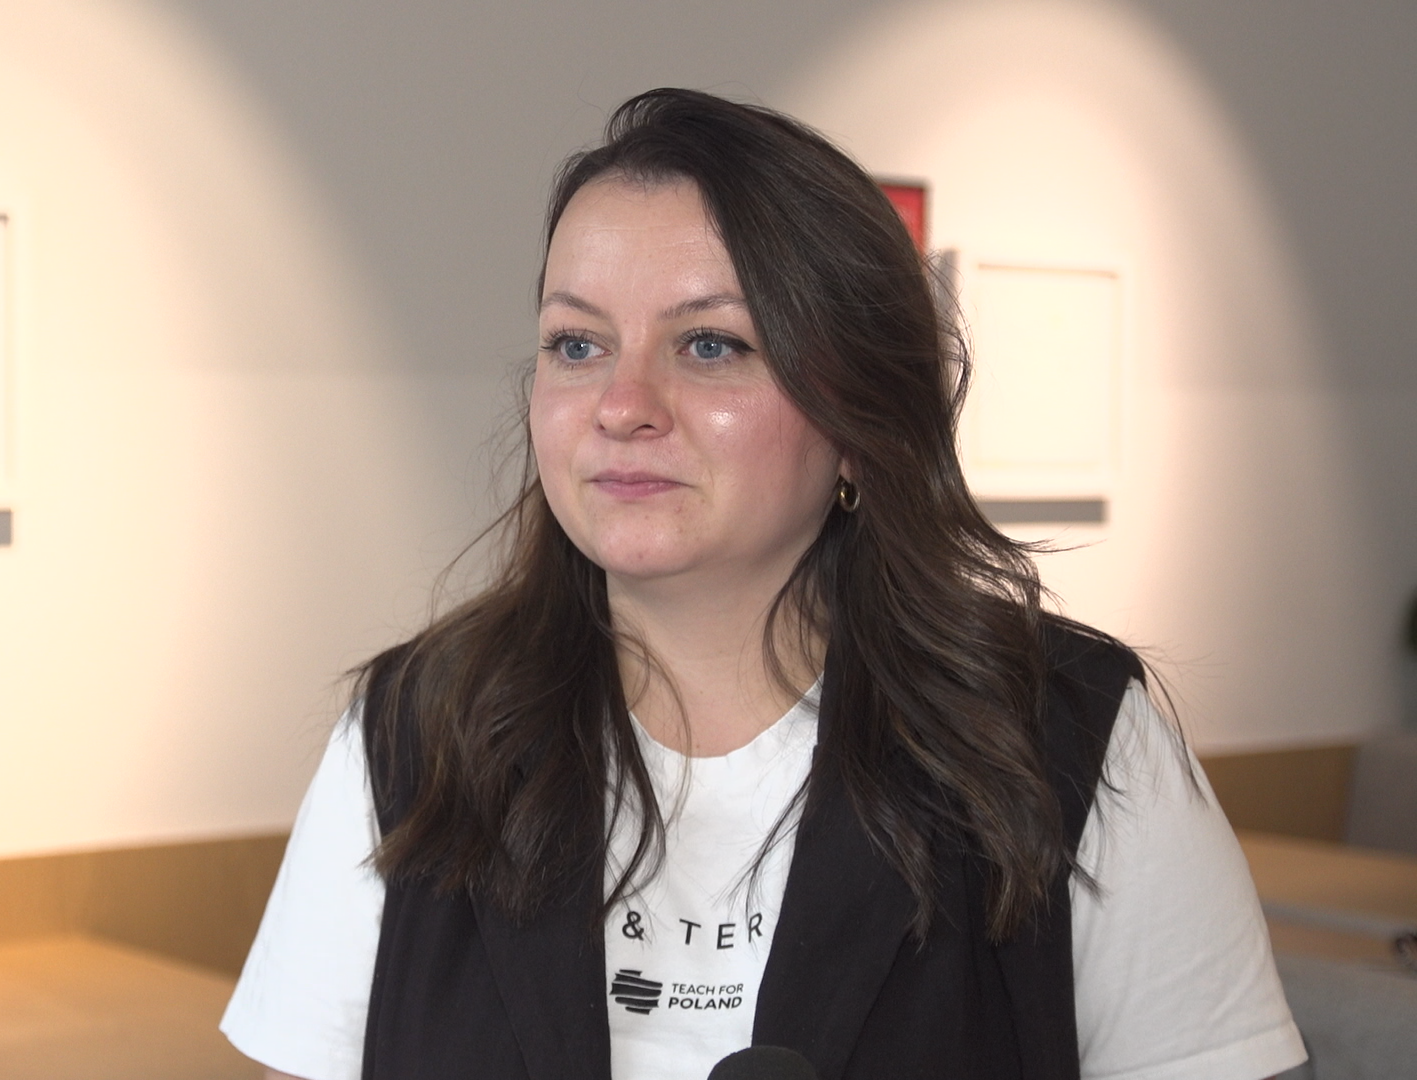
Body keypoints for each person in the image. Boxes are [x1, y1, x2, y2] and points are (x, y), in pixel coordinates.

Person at [221, 88, 1306, 1080]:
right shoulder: (414, 732)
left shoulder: (1068, 737)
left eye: (709, 345)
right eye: (576, 344)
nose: (622, 405)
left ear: (857, 415)